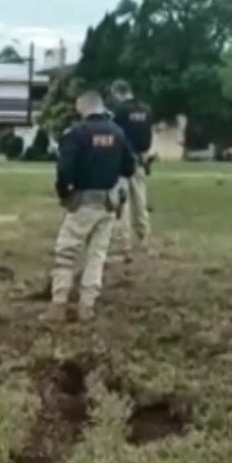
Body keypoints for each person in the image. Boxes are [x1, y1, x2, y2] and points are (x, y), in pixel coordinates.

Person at [42, 89, 136, 324]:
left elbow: (64, 170)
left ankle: (59, 305)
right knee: (97, 255)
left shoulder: (76, 133)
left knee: (66, 253)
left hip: (83, 202)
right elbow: (129, 168)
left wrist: (65, 194)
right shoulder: (118, 132)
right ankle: (87, 306)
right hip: (108, 203)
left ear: (83, 108)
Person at [108, 80, 153, 260]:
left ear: (118, 93)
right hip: (141, 158)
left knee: (122, 202)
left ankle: (123, 243)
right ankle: (144, 239)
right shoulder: (146, 110)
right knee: (140, 200)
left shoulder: (120, 112)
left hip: (122, 160)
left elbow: (116, 135)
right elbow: (147, 135)